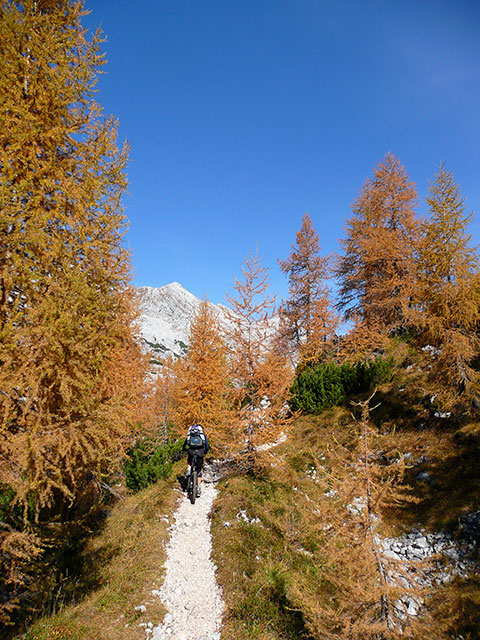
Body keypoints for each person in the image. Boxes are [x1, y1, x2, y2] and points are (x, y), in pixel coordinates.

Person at [182, 424, 209, 497]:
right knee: (199, 470)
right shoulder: (203, 435)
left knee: (190, 461)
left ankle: (189, 468)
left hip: (191, 452)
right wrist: (205, 451)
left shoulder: (190, 435)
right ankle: (198, 488)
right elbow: (206, 446)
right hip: (200, 453)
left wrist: (184, 449)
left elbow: (184, 445)